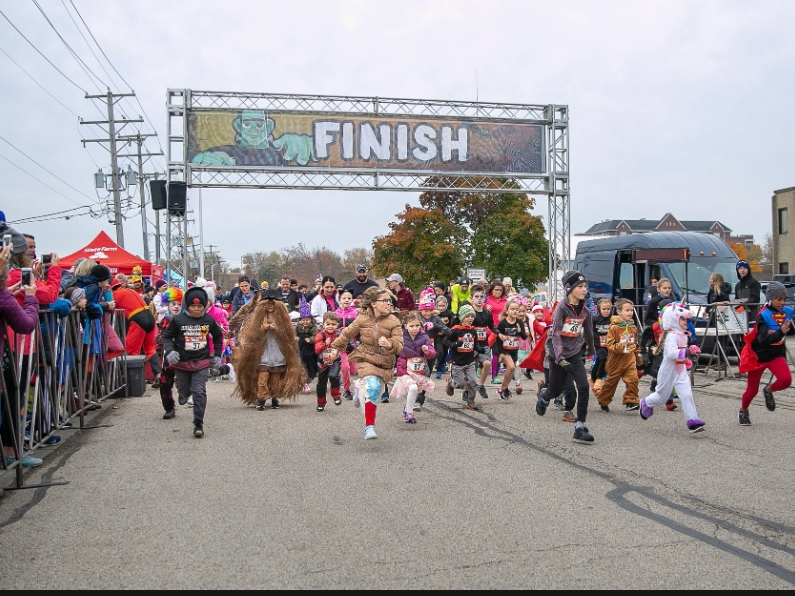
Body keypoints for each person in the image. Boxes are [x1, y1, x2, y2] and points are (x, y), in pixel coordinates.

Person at [329, 286, 403, 440]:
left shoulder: (394, 320)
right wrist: (335, 348)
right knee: (374, 387)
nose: (389, 304)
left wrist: (389, 344)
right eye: (385, 300)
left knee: (376, 390)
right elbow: (346, 333)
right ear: (374, 303)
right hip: (365, 357)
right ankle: (369, 427)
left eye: (390, 300)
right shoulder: (362, 318)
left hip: (385, 362)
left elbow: (399, 344)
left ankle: (357, 388)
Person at [535, 271, 596, 443]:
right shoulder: (561, 309)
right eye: (580, 287)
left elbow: (589, 333)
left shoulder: (585, 311)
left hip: (575, 353)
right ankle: (544, 397)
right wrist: (560, 357)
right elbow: (555, 335)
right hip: (558, 354)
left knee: (583, 387)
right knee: (555, 390)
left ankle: (580, 427)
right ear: (570, 289)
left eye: (585, 287)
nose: (584, 290)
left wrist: (592, 351)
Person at [161, 286, 225, 437]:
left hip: (201, 362)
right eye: (193, 306)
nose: (196, 309)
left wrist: (216, 355)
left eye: (200, 306)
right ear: (187, 306)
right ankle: (183, 394)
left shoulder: (208, 320)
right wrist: (170, 352)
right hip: (182, 362)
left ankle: (198, 424)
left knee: (199, 391)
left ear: (204, 306)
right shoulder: (178, 320)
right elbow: (167, 337)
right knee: (184, 390)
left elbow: (218, 337)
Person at [0, 244, 42, 469]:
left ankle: (9, 452)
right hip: (14, 349)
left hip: (14, 350)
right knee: (12, 401)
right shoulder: (3, 296)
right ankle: (10, 453)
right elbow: (26, 324)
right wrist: (31, 299)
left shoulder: (4, 294)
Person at [232, 289, 305, 411]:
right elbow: (252, 336)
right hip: (263, 354)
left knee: (275, 380)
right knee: (262, 378)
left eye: (272, 304)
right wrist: (262, 329)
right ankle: (261, 398)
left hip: (277, 353)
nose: (270, 306)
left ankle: (275, 397)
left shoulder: (282, 318)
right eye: (268, 304)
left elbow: (288, 335)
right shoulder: (258, 318)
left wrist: (277, 329)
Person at [640, 302, 705, 433]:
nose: (686, 321)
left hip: (680, 371)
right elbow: (671, 354)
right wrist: (687, 353)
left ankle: (692, 421)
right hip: (668, 371)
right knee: (662, 397)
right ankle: (646, 402)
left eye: (686, 319)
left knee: (687, 394)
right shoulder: (672, 336)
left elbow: (680, 354)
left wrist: (687, 357)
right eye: (682, 319)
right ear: (673, 320)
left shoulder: (683, 335)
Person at [737, 281, 794, 426]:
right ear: (770, 298)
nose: (782, 302)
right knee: (751, 391)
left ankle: (768, 390)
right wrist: (780, 331)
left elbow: (791, 330)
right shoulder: (763, 315)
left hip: (776, 355)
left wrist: (790, 328)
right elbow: (763, 340)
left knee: (786, 380)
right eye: (779, 299)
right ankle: (743, 411)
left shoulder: (787, 312)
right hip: (758, 357)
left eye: (784, 299)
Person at [596, 298, 641, 413]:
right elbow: (610, 345)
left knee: (633, 380)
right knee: (610, 383)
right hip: (616, 361)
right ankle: (603, 401)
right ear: (619, 312)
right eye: (627, 310)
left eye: (631, 310)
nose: (630, 313)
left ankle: (631, 401)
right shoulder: (614, 327)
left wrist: (638, 355)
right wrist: (622, 345)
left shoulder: (632, 326)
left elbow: (635, 342)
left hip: (629, 359)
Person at [111, 277, 160, 383]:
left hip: (138, 319)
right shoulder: (130, 291)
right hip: (149, 317)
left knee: (132, 350)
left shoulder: (114, 295)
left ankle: (135, 380)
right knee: (150, 349)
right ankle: (158, 374)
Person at [390, 311, 436, 422]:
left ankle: (406, 409)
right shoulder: (400, 337)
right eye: (411, 326)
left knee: (415, 390)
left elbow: (433, 353)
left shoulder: (424, 337)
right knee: (413, 387)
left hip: (419, 371)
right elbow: (394, 349)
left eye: (417, 325)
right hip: (405, 369)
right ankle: (409, 414)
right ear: (405, 326)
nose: (415, 328)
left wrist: (427, 351)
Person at [444, 303, 482, 411]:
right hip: (458, 362)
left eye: (472, 316)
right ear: (461, 317)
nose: (470, 319)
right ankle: (451, 383)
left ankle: (471, 401)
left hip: (470, 361)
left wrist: (479, 349)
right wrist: (455, 344)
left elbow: (476, 343)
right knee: (460, 384)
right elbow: (446, 341)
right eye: (467, 316)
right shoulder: (456, 330)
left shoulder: (473, 330)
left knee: (473, 382)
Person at [155, 287, 184, 419]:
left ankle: (184, 391)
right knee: (165, 381)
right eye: (174, 304)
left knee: (184, 376)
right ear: (168, 305)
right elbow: (161, 338)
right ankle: (169, 408)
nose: (176, 307)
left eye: (179, 304)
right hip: (170, 355)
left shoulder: (186, 319)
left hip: (185, 355)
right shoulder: (165, 321)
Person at [417, 288, 448, 405]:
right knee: (418, 373)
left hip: (430, 350)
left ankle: (421, 397)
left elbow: (447, 331)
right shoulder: (417, 318)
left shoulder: (436, 318)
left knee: (427, 372)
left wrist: (435, 325)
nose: (428, 313)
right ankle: (416, 395)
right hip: (416, 350)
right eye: (425, 310)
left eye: (430, 310)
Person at [493, 299, 527, 400]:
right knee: (512, 367)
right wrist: (501, 352)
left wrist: (520, 331)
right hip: (504, 350)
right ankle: (504, 388)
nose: (515, 311)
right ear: (507, 311)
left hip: (514, 350)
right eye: (512, 309)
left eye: (516, 309)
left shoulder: (519, 322)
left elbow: (524, 337)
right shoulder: (503, 323)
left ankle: (503, 388)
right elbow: (498, 338)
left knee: (510, 370)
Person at [469, 285, 497, 397]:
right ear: (472, 298)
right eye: (476, 296)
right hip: (470, 344)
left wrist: (499, 332)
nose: (479, 299)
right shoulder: (469, 312)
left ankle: (480, 385)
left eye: (482, 296)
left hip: (483, 343)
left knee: (487, 363)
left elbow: (491, 326)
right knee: (469, 371)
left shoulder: (487, 313)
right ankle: (465, 390)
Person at [314, 311, 343, 412]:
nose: (331, 326)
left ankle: (336, 396)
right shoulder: (320, 335)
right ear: (323, 324)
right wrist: (325, 344)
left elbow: (347, 344)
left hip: (335, 359)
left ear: (337, 325)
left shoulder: (339, 334)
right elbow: (317, 350)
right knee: (321, 384)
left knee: (333, 376)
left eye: (333, 324)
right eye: (328, 324)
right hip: (323, 361)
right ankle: (321, 403)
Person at [706, 272, 733, 371]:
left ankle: (723, 361)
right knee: (716, 340)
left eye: (711, 278)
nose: (709, 279)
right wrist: (706, 311)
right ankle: (719, 360)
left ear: (715, 280)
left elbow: (726, 303)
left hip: (721, 317)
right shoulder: (711, 290)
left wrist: (717, 304)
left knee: (723, 340)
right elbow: (709, 302)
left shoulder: (722, 291)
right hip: (713, 316)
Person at [335, 289, 359, 399]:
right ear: (339, 300)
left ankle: (345, 379)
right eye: (344, 298)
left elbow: (359, 329)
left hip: (353, 346)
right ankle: (347, 390)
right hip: (342, 346)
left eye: (349, 298)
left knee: (354, 370)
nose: (346, 300)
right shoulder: (335, 314)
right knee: (345, 368)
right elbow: (330, 328)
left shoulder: (355, 313)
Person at [296, 296, 318, 395]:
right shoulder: (298, 327)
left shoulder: (312, 328)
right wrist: (295, 338)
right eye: (303, 320)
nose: (305, 322)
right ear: (300, 320)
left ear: (310, 319)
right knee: (302, 366)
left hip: (310, 351)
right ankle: (304, 383)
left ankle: (307, 381)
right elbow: (294, 335)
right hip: (301, 350)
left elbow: (316, 336)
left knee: (311, 367)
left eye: (307, 320)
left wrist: (311, 339)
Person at [590, 298, 613, 393]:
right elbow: (588, 330)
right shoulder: (595, 320)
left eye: (608, 309)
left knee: (602, 361)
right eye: (604, 309)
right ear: (599, 309)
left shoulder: (612, 319)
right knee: (603, 358)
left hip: (609, 345)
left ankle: (593, 379)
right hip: (598, 345)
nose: (606, 311)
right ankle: (599, 379)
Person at [734, 259, 762, 328]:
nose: (742, 270)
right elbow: (736, 299)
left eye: (745, 268)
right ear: (737, 270)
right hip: (741, 317)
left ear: (748, 269)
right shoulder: (737, 285)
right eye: (740, 268)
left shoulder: (754, 282)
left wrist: (744, 306)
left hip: (752, 316)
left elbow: (755, 298)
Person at [433, 294, 454, 379]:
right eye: (439, 306)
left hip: (446, 337)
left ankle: (442, 364)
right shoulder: (434, 314)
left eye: (443, 306)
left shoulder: (449, 313)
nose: (441, 308)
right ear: (436, 305)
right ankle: (438, 369)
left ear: (446, 305)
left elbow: (452, 324)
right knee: (440, 352)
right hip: (438, 337)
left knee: (445, 353)